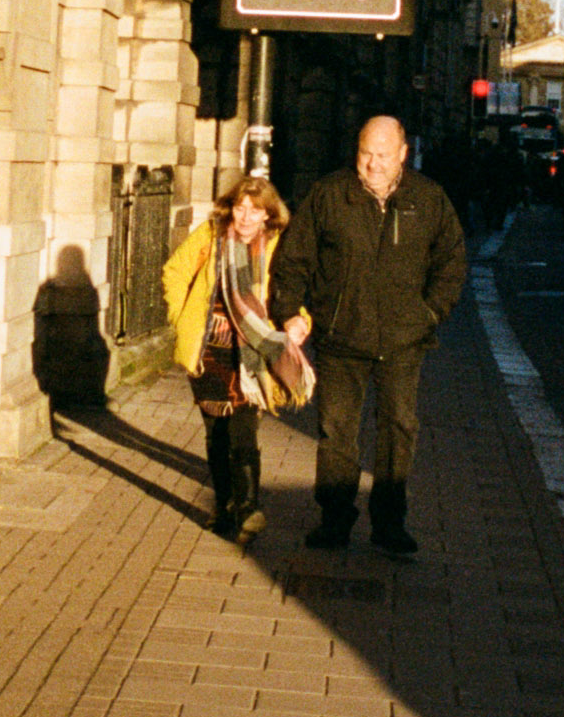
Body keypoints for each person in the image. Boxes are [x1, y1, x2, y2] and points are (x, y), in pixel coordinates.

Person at [271, 114, 469, 556]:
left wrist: (429, 314)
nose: (373, 164)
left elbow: (452, 263)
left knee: (399, 428)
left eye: (383, 155)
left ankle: (389, 523)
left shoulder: (429, 199)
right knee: (337, 431)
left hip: (403, 341)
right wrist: (290, 313)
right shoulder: (329, 195)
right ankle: (336, 519)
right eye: (365, 154)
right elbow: (294, 258)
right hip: (341, 337)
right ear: (355, 152)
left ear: (403, 154)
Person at [161, 174, 307, 540]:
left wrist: (300, 321)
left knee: (243, 429)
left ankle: (247, 509)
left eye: (254, 210)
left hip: (252, 352)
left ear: (268, 215)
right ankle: (225, 508)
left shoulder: (279, 246)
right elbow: (174, 272)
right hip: (210, 350)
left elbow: (295, 289)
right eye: (240, 208)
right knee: (216, 434)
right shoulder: (211, 235)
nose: (245, 217)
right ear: (230, 208)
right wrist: (183, 320)